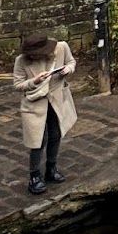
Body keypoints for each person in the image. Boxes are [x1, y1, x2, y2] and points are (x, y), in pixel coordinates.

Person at [13, 35, 78, 195]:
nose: (33, 56)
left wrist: (68, 69)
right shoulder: (21, 61)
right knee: (38, 140)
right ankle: (34, 175)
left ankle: (51, 167)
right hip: (35, 103)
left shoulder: (62, 48)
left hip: (57, 99)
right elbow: (17, 84)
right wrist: (34, 81)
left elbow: (71, 62)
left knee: (56, 134)